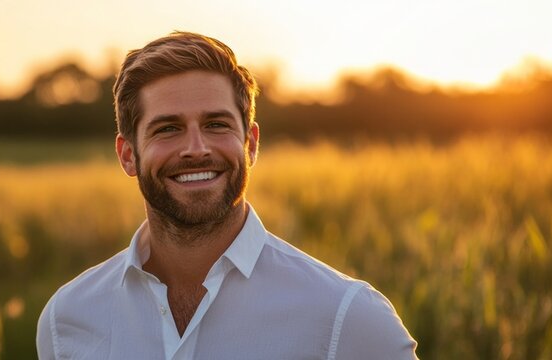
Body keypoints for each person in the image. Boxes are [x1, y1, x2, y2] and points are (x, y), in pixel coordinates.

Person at [37, 31, 418, 360]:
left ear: (250, 143)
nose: (196, 149)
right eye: (168, 129)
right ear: (127, 154)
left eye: (216, 124)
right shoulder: (67, 319)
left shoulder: (348, 319)